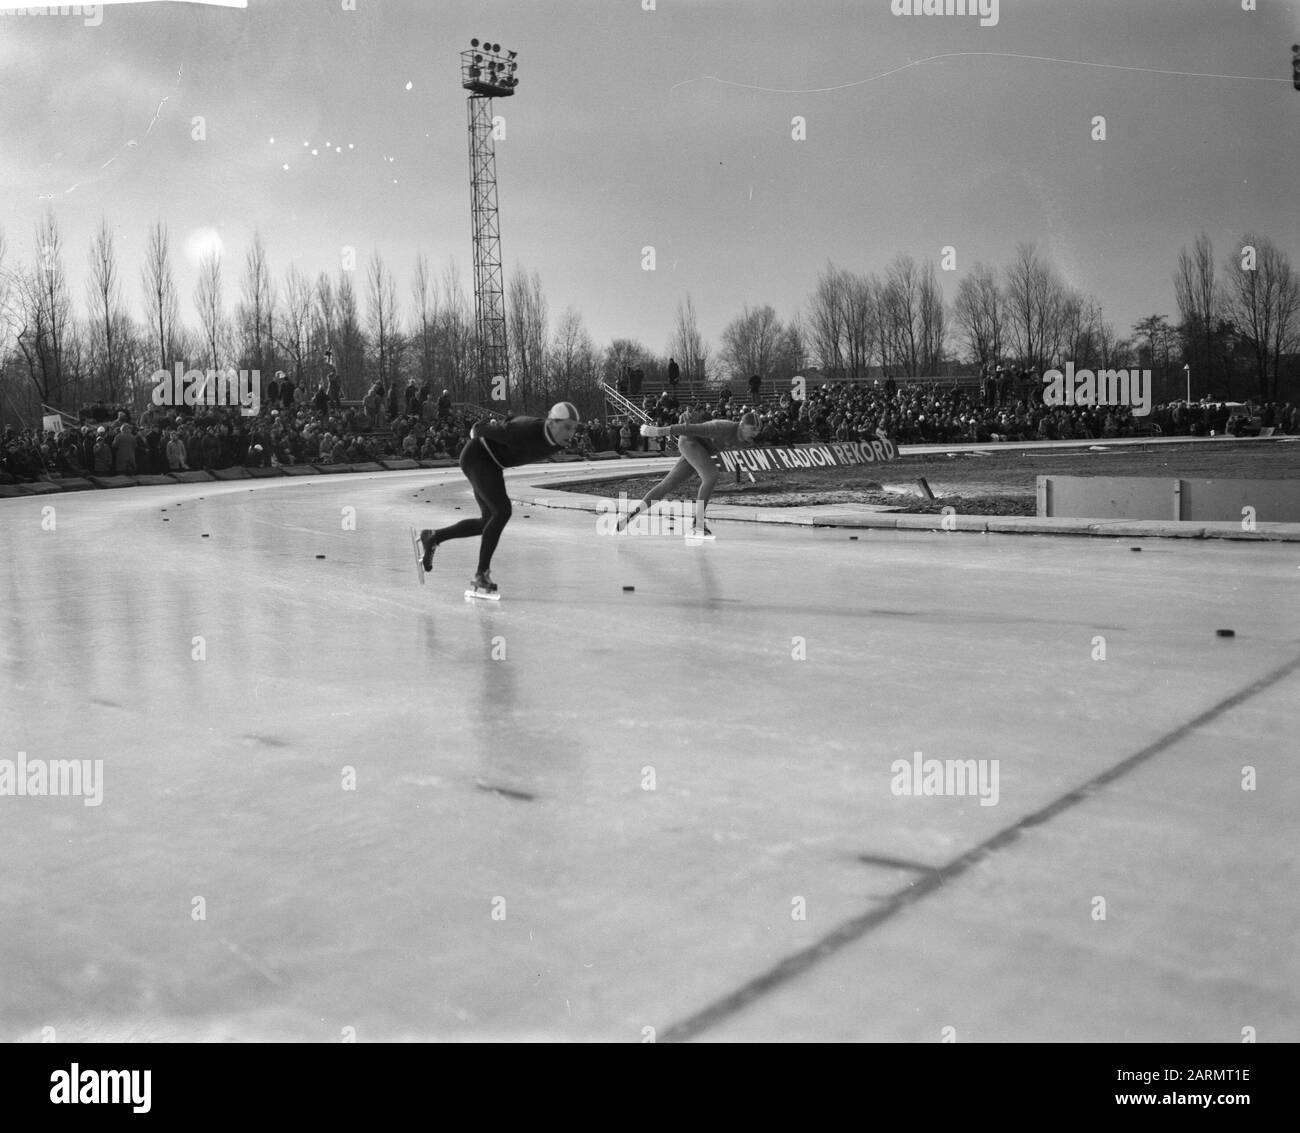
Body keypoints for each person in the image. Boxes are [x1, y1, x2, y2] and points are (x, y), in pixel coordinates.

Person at [416, 402, 582, 597]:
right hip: (477, 457)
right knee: (502, 511)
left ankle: (434, 537)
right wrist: (481, 428)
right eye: (567, 427)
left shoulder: (557, 440)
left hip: (492, 464)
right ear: (552, 422)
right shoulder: (526, 429)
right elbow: (479, 430)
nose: (571, 433)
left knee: (488, 521)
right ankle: (481, 573)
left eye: (574, 428)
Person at [620, 410, 761, 539]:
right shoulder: (722, 427)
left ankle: (631, 515)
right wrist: (658, 431)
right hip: (689, 441)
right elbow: (688, 428)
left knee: (668, 484)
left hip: (702, 451)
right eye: (753, 429)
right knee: (711, 475)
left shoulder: (747, 441)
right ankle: (698, 524)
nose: (755, 433)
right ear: (742, 425)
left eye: (758, 430)